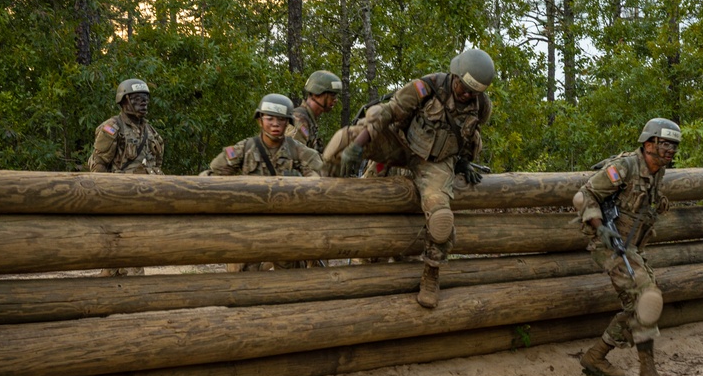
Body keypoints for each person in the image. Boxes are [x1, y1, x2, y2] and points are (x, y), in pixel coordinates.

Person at [323, 48, 494, 308]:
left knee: (440, 218)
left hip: (434, 163)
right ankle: (319, 200)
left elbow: (471, 136)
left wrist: (463, 162)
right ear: (455, 75)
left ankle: (431, 274)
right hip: (401, 144)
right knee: (342, 141)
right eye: (465, 89)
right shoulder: (427, 87)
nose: (468, 95)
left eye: (474, 92)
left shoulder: (481, 106)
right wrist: (359, 145)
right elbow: (387, 112)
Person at [574, 118, 680, 376]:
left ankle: (596, 356)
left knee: (638, 306)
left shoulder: (657, 172)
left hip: (633, 248)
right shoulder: (625, 167)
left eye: (674, 146)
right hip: (610, 246)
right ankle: (648, 375)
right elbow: (585, 195)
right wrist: (601, 230)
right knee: (646, 297)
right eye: (665, 144)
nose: (671, 151)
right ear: (649, 144)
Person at [207, 93, 325, 271]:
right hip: (249, 228)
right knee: (242, 280)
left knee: (289, 281)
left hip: (285, 230)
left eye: (281, 120)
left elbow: (318, 179)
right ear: (260, 120)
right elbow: (214, 172)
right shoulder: (245, 148)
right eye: (269, 119)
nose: (275, 124)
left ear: (288, 123)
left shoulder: (298, 151)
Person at [88, 78, 165, 277]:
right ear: (124, 101)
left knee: (125, 253)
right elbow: (98, 165)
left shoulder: (151, 132)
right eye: (138, 98)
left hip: (144, 202)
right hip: (119, 200)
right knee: (127, 255)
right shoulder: (112, 128)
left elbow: (156, 165)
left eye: (146, 99)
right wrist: (103, 200)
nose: (143, 103)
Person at [288, 70, 342, 156]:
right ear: (317, 93)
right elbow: (291, 160)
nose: (335, 100)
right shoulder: (299, 120)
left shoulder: (309, 120)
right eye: (332, 94)